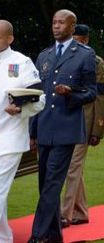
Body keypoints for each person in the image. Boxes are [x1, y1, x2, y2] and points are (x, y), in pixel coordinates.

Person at [0, 20, 45, 243]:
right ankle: (4, 238)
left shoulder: (22, 62)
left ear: (9, 39)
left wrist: (21, 109)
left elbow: (39, 98)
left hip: (11, 137)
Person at [29, 10, 96, 243]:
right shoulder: (45, 55)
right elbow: (36, 96)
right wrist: (32, 130)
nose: (56, 26)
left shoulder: (85, 55)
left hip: (67, 127)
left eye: (61, 22)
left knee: (52, 183)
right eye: (54, 22)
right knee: (44, 184)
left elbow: (91, 92)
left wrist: (71, 94)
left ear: (72, 25)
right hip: (45, 126)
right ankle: (54, 236)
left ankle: (37, 236)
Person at [60, 24, 104, 228]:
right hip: (66, 120)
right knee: (75, 169)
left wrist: (97, 129)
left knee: (72, 167)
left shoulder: (95, 62)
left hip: (85, 122)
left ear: (85, 40)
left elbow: (100, 98)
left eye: (77, 40)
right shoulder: (64, 57)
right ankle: (81, 211)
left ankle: (65, 214)